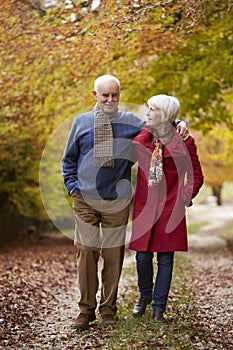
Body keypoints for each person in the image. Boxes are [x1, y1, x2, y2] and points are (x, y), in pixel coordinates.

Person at [62, 76, 189, 331]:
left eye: (114, 95)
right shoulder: (81, 122)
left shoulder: (132, 122)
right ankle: (85, 311)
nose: (110, 100)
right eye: (105, 95)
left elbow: (160, 124)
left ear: (119, 95)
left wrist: (180, 122)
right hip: (84, 199)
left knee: (113, 255)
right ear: (94, 95)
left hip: (116, 200)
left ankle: (108, 309)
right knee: (86, 252)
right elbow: (69, 160)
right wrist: (72, 188)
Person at [129, 94, 204, 323]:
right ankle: (145, 296)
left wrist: (182, 199)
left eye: (153, 109)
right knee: (142, 257)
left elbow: (196, 176)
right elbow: (133, 151)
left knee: (165, 258)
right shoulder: (144, 137)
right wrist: (154, 127)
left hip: (170, 208)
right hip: (145, 207)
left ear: (165, 114)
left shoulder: (185, 142)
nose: (148, 113)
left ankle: (159, 308)